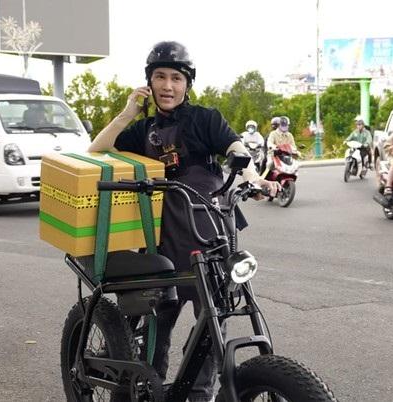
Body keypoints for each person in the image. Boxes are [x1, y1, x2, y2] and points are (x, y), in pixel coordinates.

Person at [88, 41, 279, 402]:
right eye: (159, 77)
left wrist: (254, 177)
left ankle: (199, 393)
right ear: (149, 82)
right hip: (164, 238)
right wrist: (128, 112)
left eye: (176, 78)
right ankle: (150, 387)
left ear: (187, 83)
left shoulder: (205, 119)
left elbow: (235, 148)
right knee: (159, 319)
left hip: (211, 234)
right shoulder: (142, 130)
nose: (168, 86)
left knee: (213, 320)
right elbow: (97, 149)